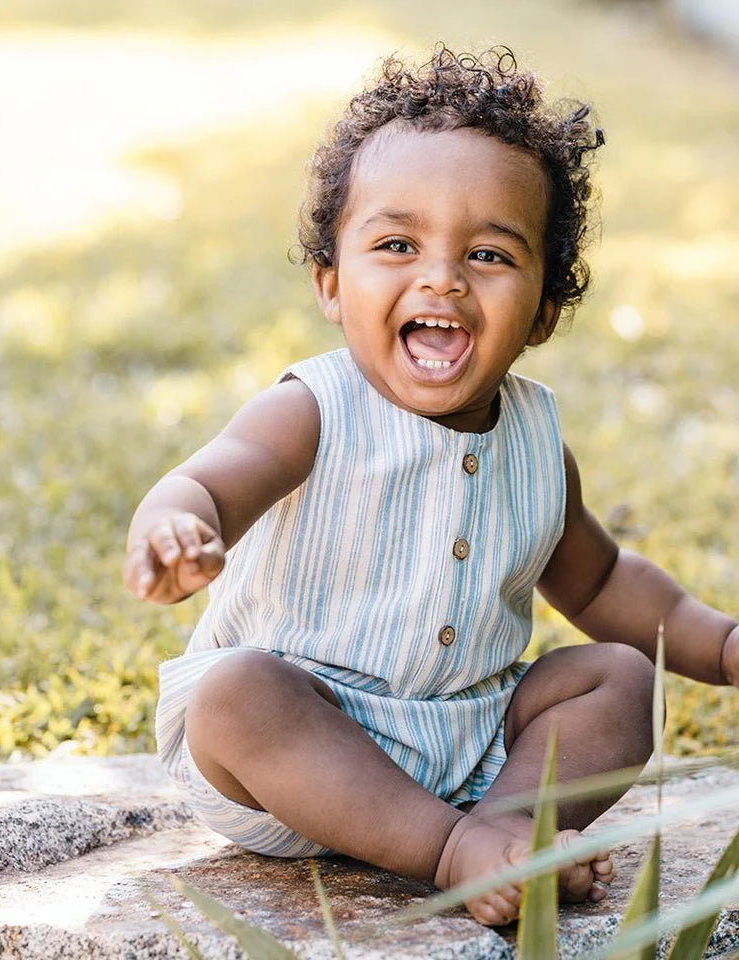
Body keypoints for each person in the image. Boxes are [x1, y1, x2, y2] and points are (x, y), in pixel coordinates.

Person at [123, 46, 738, 926]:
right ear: (332, 281)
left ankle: (506, 832)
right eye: (397, 244)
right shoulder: (314, 410)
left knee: (621, 680)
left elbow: (600, 584)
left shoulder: (535, 442)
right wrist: (177, 527)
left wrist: (720, 647)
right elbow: (208, 486)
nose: (441, 276)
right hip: (298, 752)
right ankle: (456, 853)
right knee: (234, 694)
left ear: (544, 312)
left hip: (469, 743)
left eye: (488, 252)